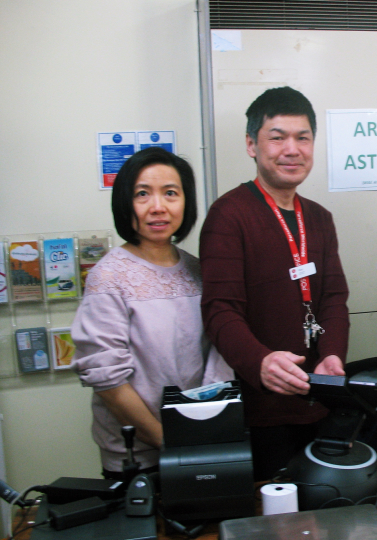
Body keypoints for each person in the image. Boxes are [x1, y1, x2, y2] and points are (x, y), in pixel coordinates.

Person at [200, 86, 349, 481]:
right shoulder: (228, 215)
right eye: (277, 137)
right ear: (252, 145)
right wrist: (260, 362)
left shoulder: (319, 217)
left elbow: (333, 297)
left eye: (303, 138)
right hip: (259, 408)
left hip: (318, 399)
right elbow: (219, 310)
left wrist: (333, 353)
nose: (292, 149)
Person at [71, 147, 230, 479]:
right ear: (125, 203)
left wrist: (202, 428)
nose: (158, 207)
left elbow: (220, 347)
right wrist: (168, 441)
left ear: (186, 202)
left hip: (198, 440)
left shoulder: (198, 270)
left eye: (170, 193)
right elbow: (108, 379)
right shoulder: (109, 276)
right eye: (143, 194)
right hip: (137, 456)